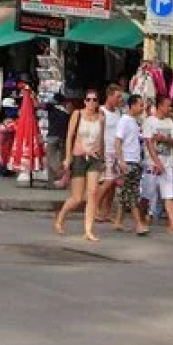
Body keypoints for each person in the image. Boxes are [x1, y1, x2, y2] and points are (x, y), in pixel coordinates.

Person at [53, 90, 106, 241]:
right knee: (77, 198)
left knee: (93, 192)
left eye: (94, 100)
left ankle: (88, 230)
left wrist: (102, 158)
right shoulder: (77, 114)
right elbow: (70, 135)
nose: (91, 103)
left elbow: (102, 139)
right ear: (84, 101)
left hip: (94, 158)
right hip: (79, 157)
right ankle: (61, 216)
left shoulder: (101, 118)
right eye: (88, 100)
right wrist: (68, 157)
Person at [143, 95, 173, 234]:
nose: (170, 108)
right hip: (152, 164)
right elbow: (149, 143)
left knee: (169, 194)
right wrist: (156, 162)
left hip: (168, 162)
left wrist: (164, 139)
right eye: (168, 105)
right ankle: (142, 218)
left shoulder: (170, 122)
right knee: (147, 194)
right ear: (160, 106)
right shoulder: (149, 122)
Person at [114, 93, 150, 235]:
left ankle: (118, 221)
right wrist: (121, 161)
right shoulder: (124, 121)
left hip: (135, 160)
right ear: (133, 105)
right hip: (128, 161)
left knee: (126, 193)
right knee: (133, 194)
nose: (142, 108)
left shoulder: (134, 121)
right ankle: (139, 224)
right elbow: (118, 141)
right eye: (140, 105)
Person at [93, 84, 125, 223]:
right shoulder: (101, 111)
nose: (119, 100)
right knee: (108, 180)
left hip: (116, 151)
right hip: (106, 150)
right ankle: (94, 208)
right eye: (117, 97)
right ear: (109, 96)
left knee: (112, 184)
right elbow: (98, 132)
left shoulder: (118, 112)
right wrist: (100, 151)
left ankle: (105, 211)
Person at [44, 93, 73, 189]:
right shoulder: (67, 112)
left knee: (50, 158)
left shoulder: (52, 108)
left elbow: (45, 105)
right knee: (62, 159)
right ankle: (58, 181)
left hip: (52, 136)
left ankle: (54, 179)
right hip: (63, 137)